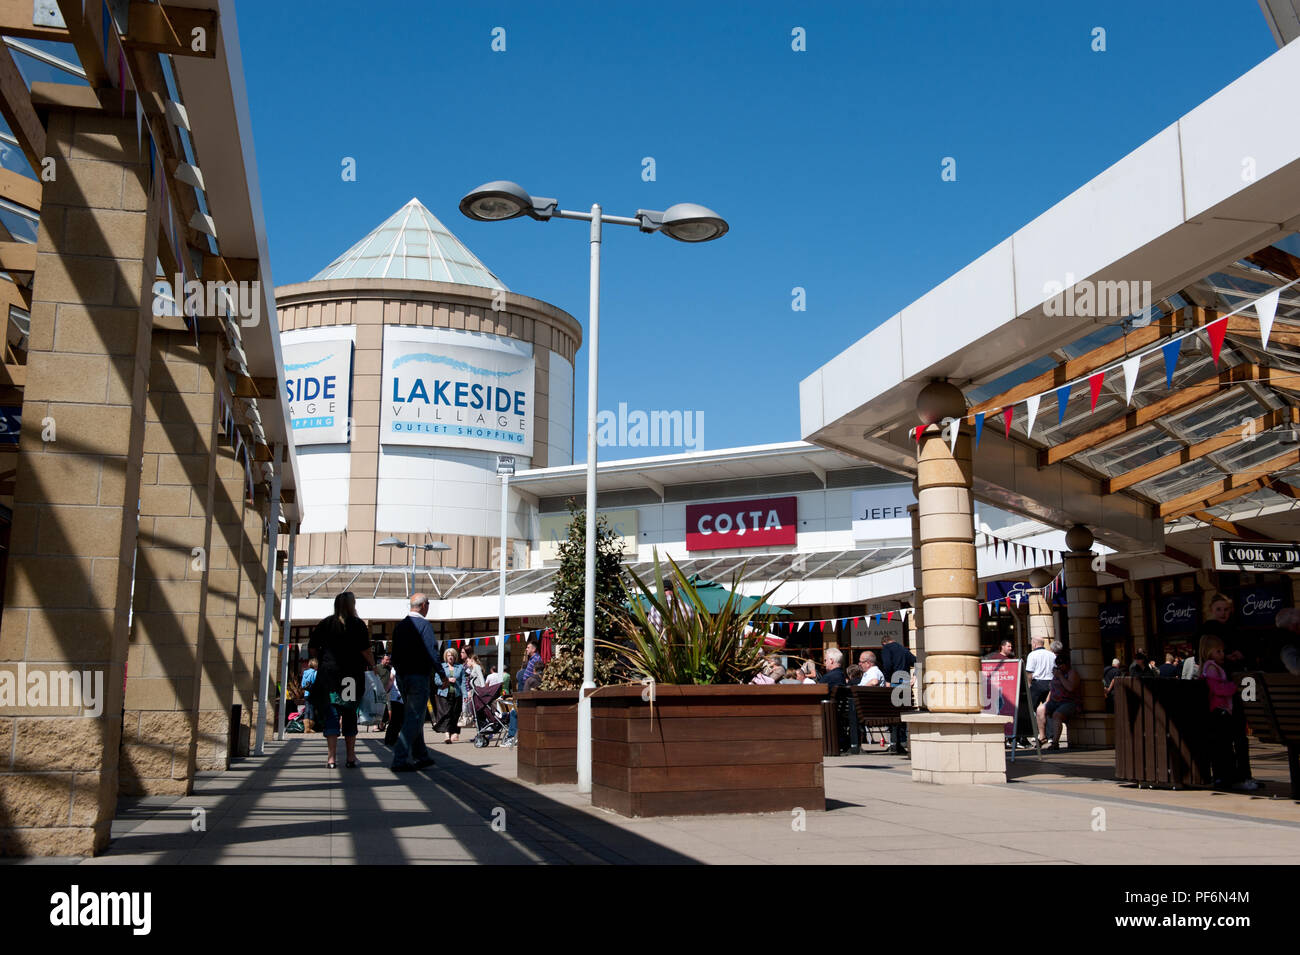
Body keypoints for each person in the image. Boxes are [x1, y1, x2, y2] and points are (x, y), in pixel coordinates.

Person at [307, 592, 374, 769]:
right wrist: (373, 665)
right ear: (352, 605)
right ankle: (351, 757)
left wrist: (322, 658)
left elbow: (312, 648)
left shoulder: (326, 623)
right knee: (349, 712)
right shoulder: (358, 624)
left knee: (332, 714)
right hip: (350, 677)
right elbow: (365, 650)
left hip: (329, 676)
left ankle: (331, 758)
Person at [1198, 634, 1260, 791]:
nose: (1222, 654)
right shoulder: (1211, 667)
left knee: (1224, 745)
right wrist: (1235, 687)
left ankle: (1226, 777)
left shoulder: (1211, 666)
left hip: (1221, 711)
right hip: (1220, 711)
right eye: (1218, 651)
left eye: (1222, 651)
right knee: (1224, 745)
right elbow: (1217, 689)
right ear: (1208, 652)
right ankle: (1227, 777)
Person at [389, 593, 439, 772]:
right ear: (424, 605)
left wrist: (400, 674)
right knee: (414, 717)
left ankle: (421, 755)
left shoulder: (400, 626)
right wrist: (441, 673)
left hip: (403, 677)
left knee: (414, 715)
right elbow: (432, 651)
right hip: (418, 676)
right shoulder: (424, 625)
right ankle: (400, 758)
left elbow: (394, 654)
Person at [879, 633, 916, 755]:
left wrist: (888, 680)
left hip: (895, 682)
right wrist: (914, 677)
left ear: (884, 643)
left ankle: (895, 742)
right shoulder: (903, 649)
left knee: (894, 712)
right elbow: (917, 661)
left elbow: (887, 665)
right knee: (903, 712)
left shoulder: (886, 649)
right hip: (905, 682)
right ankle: (903, 740)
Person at [1041, 651, 1082, 751]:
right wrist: (1047, 701)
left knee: (1057, 715)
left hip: (1069, 702)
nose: (1059, 666)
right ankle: (1042, 737)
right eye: (1057, 664)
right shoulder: (1057, 673)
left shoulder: (1071, 673)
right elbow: (1052, 689)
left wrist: (1060, 676)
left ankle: (1055, 742)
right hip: (1055, 701)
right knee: (1040, 710)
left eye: (1061, 664)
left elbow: (1070, 688)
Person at [1025, 635, 1055, 744]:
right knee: (1049, 709)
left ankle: (1036, 733)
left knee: (1032, 709)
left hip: (1037, 683)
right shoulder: (1051, 655)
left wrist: (1029, 684)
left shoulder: (1032, 655)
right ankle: (1050, 735)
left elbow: (1029, 672)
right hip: (1050, 683)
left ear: (1034, 643)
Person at [433, 648, 465, 743]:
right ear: (445, 657)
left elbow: (463, 682)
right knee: (445, 713)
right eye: (448, 655)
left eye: (452, 655)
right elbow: (436, 680)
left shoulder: (460, 667)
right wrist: (447, 680)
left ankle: (453, 733)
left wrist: (466, 695)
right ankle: (446, 735)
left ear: (455, 656)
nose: (450, 657)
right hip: (443, 694)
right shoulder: (441, 667)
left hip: (457, 694)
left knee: (454, 714)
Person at [379, 654, 402, 747]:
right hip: (396, 696)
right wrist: (385, 691)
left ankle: (393, 738)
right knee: (395, 719)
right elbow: (391, 680)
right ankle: (390, 739)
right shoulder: (395, 668)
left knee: (399, 720)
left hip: (404, 696)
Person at [460, 648, 486, 727]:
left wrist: (483, 690)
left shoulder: (477, 667)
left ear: (471, 660)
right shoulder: (473, 668)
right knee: (475, 711)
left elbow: (481, 679)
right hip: (474, 691)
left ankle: (482, 728)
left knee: (478, 711)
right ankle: (480, 730)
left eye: (468, 661)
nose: (467, 663)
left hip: (478, 692)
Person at [300, 658, 318, 734]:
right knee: (312, 710)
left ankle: (306, 728)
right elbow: (315, 683)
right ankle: (309, 728)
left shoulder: (305, 672)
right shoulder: (315, 672)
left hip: (306, 693)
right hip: (313, 693)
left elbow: (302, 684)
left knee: (307, 710)